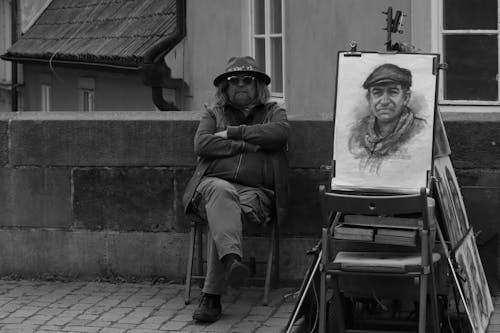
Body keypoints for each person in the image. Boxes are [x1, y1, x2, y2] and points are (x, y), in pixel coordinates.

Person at [182, 56, 290, 323]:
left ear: (258, 86)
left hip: (255, 195)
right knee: (222, 193)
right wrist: (248, 144)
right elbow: (203, 145)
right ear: (225, 88)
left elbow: (279, 134)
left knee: (223, 213)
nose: (241, 85)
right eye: (234, 81)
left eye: (247, 80)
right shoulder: (212, 113)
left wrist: (232, 133)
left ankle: (213, 296)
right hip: (210, 188)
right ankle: (229, 267)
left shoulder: (273, 111)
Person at [348, 63, 426, 173]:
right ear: (369, 98)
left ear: (406, 98)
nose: (384, 101)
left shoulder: (421, 132)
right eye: (377, 93)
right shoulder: (356, 132)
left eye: (393, 92)